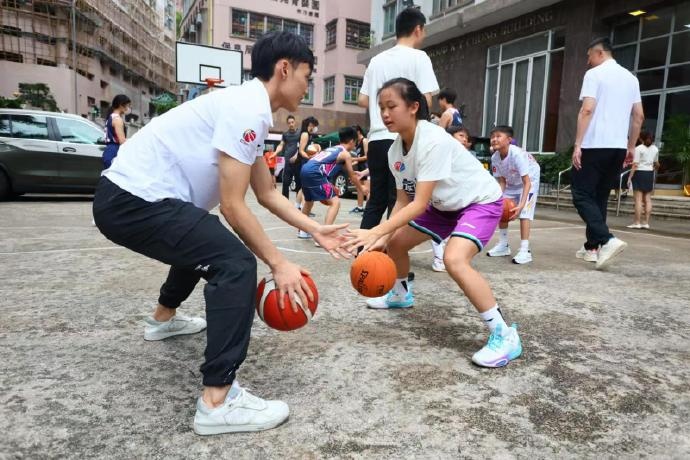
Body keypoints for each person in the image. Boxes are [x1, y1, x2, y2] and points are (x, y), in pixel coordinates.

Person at [93, 31, 350, 436]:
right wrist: (278, 262)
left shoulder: (247, 106)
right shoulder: (246, 108)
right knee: (235, 263)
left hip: (127, 197)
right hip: (133, 199)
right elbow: (233, 205)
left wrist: (316, 227)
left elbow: (265, 193)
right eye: (307, 75)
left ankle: (163, 319)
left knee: (202, 239)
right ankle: (218, 400)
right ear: (284, 69)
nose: (308, 85)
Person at [345, 78, 522, 368]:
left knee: (454, 260)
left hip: (479, 201)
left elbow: (419, 203)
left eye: (392, 106)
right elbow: (403, 201)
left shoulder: (433, 140)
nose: (385, 114)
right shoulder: (394, 152)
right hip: (443, 205)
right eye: (381, 108)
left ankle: (504, 334)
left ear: (414, 107)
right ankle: (400, 294)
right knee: (394, 243)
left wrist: (375, 229)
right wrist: (382, 235)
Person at [357, 6, 439, 232]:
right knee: (399, 200)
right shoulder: (419, 58)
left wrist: (382, 107)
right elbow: (426, 101)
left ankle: (363, 253)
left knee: (376, 200)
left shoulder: (376, 60)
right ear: (418, 29)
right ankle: (389, 260)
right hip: (403, 140)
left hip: (376, 139)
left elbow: (362, 99)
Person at [572, 37, 644, 269]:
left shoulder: (595, 74)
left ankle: (607, 239)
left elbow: (587, 109)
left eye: (589, 56)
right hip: (618, 147)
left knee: (581, 194)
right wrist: (631, 147)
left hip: (594, 145)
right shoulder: (631, 78)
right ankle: (592, 247)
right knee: (599, 196)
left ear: (599, 53)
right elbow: (638, 116)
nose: (587, 61)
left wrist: (577, 145)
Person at [487, 126, 541, 264]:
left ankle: (525, 250)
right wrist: (498, 198)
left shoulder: (517, 154)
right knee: (502, 207)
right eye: (492, 136)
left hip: (530, 179)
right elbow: (502, 181)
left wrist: (522, 205)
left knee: (524, 213)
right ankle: (503, 245)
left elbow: (527, 182)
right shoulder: (495, 157)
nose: (494, 139)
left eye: (498, 136)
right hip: (512, 181)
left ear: (509, 140)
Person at [299, 126, 364, 240]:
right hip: (315, 173)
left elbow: (325, 167)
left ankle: (302, 232)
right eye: (356, 142)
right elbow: (352, 175)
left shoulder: (332, 149)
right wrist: (362, 189)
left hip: (305, 170)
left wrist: (331, 185)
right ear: (352, 141)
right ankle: (324, 235)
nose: (355, 145)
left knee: (308, 202)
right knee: (335, 202)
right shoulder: (345, 154)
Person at [627, 131, 659, 229]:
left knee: (638, 200)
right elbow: (657, 164)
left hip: (639, 173)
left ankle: (637, 222)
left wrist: (629, 177)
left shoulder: (638, 149)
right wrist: (652, 167)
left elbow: (635, 165)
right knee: (648, 200)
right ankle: (646, 222)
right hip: (649, 174)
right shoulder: (655, 149)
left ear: (641, 139)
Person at [295, 116, 321, 213]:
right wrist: (309, 157)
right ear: (307, 125)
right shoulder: (305, 134)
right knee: (305, 186)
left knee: (303, 186)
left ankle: (298, 206)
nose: (313, 127)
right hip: (303, 162)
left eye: (314, 125)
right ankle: (302, 207)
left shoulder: (309, 135)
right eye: (311, 125)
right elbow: (301, 150)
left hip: (305, 161)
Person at [275, 114, 302, 199]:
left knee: (299, 183)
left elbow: (302, 146)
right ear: (287, 124)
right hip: (287, 162)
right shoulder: (285, 134)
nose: (291, 124)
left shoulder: (300, 133)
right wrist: (275, 152)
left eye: (292, 122)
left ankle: (299, 206)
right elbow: (281, 144)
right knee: (286, 183)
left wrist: (297, 155)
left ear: (295, 122)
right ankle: (285, 203)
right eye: (289, 123)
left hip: (297, 161)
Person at [102, 94, 131, 168]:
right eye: (127, 106)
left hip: (109, 151)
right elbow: (122, 141)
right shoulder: (117, 119)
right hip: (115, 152)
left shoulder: (111, 117)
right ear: (121, 105)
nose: (128, 108)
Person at [350, 125, 369, 214]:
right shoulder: (357, 143)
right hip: (360, 167)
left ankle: (368, 210)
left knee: (367, 190)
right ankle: (360, 207)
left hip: (366, 168)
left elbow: (366, 156)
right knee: (359, 188)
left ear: (358, 131)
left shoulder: (364, 140)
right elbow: (359, 157)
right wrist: (353, 162)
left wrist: (354, 159)